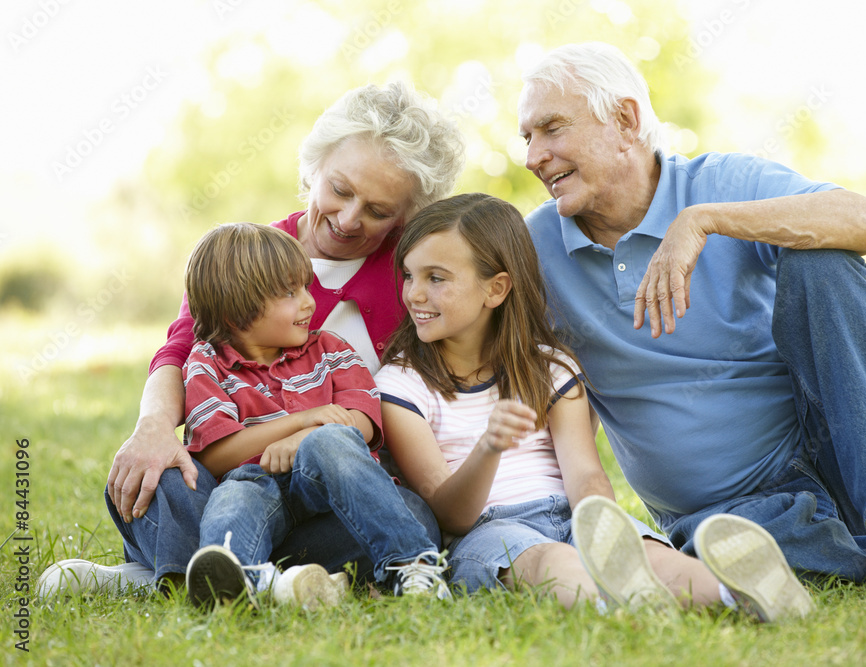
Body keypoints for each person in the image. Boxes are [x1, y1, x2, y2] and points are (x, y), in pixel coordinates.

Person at [516, 42, 866, 601]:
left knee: (824, 260)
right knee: (731, 546)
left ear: (624, 120)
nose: (533, 157)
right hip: (725, 510)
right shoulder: (536, 246)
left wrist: (706, 221)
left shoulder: (721, 183)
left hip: (835, 455)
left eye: (551, 129)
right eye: (526, 138)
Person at [38, 82, 466, 599]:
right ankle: (235, 576)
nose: (350, 219)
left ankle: (175, 579)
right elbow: (181, 350)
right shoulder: (240, 262)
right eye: (340, 189)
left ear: (406, 215)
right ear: (314, 167)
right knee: (168, 478)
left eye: (378, 211)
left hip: (335, 491)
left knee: (410, 511)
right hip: (237, 489)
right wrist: (153, 426)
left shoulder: (415, 273)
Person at [374, 192, 814, 621]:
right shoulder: (401, 385)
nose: (413, 294)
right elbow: (450, 514)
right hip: (489, 531)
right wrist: (489, 447)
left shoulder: (549, 368)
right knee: (551, 563)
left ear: (496, 289)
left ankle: (740, 593)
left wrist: (601, 525)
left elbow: (584, 472)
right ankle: (623, 610)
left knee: (646, 554)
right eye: (409, 276)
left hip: (570, 512)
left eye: (436, 278)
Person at [180, 222, 447, 609]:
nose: (308, 302)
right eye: (291, 293)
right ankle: (241, 580)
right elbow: (216, 455)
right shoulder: (207, 364)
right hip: (256, 483)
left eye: (305, 286)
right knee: (233, 498)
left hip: (338, 489)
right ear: (237, 313)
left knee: (333, 442)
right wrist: (300, 421)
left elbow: (363, 421)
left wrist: (307, 437)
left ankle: (416, 567)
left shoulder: (329, 349)